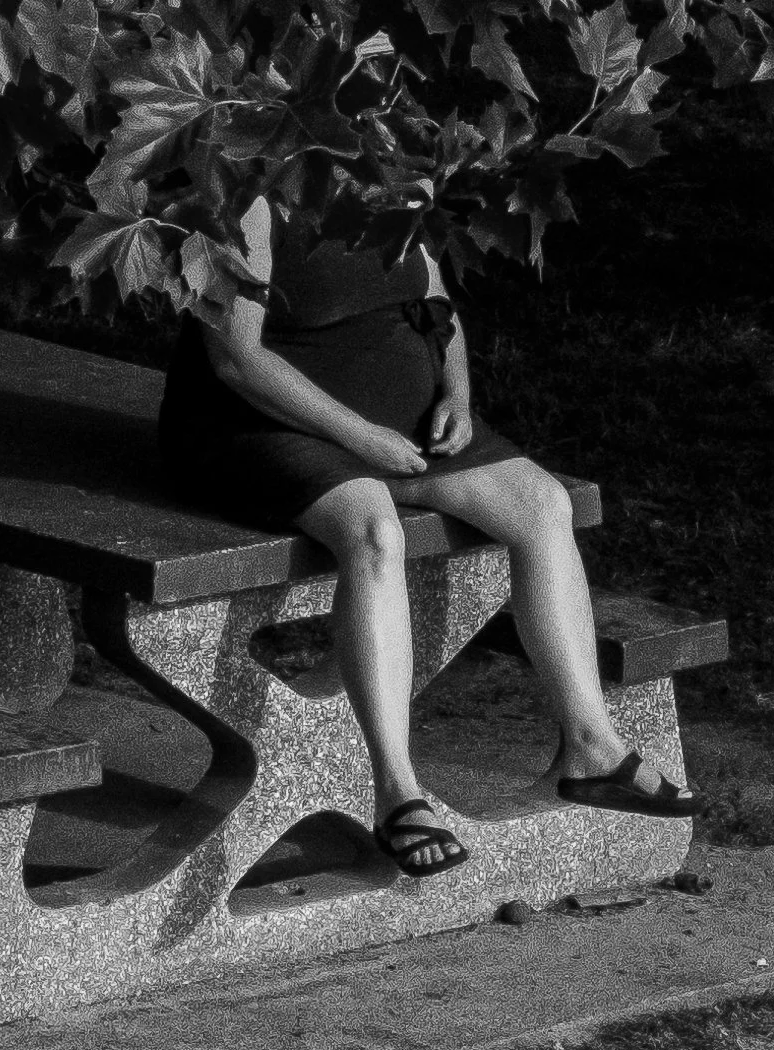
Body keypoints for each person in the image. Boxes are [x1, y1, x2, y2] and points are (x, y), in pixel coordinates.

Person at [158, 197, 695, 876]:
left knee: (542, 504)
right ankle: (396, 790)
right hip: (263, 425)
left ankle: (592, 747)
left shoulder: (396, 171)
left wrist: (457, 396)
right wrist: (359, 437)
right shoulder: (248, 197)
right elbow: (237, 360)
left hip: (396, 423)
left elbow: (436, 302)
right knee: (375, 530)